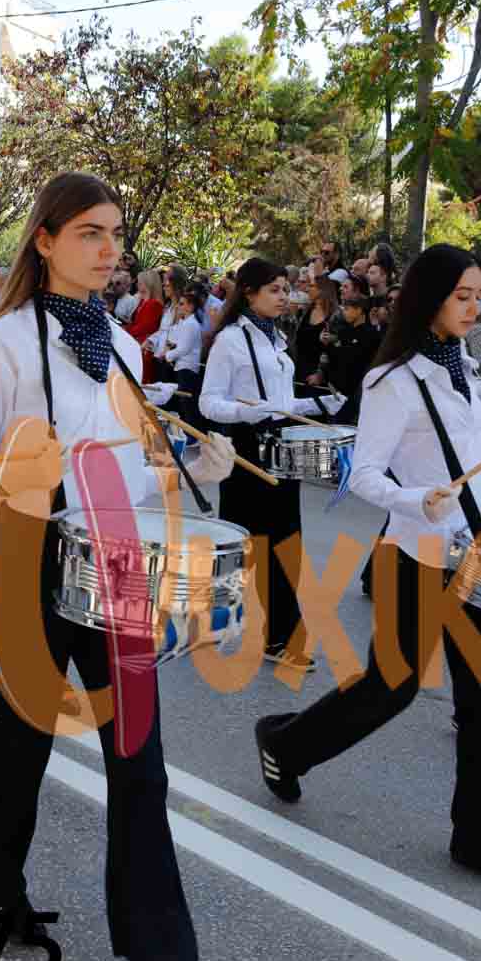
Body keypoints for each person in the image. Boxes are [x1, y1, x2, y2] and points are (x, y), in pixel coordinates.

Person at [0, 171, 243, 961]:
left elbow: (127, 474)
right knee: (14, 751)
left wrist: (185, 467)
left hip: (115, 561)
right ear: (45, 240)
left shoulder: (123, 347)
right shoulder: (2, 345)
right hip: (24, 565)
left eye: (115, 234)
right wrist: (18, 475)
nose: (110, 250)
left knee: (139, 763)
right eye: (89, 233)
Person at [254, 243, 481, 897]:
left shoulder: (462, 370)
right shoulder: (391, 379)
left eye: (478, 295)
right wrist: (416, 499)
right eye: (462, 296)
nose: (475, 308)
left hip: (472, 556)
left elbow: (476, 471)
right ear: (430, 299)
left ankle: (480, 837)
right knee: (389, 689)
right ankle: (286, 744)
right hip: (413, 556)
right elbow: (364, 473)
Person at [198, 256, 335, 667]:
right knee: (240, 542)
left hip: (281, 448)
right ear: (249, 293)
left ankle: (280, 636)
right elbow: (208, 402)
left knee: (285, 543)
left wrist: (318, 405)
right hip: (246, 449)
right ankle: (204, 617)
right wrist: (245, 412)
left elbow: (280, 403)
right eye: (274, 290)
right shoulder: (230, 341)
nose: (283, 296)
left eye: (285, 289)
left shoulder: (276, 338)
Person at [124, 270, 165, 381]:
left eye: (140, 282)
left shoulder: (154, 304)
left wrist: (126, 331)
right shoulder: (143, 301)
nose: (137, 284)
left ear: (148, 283)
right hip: (137, 342)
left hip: (144, 346)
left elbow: (145, 327)